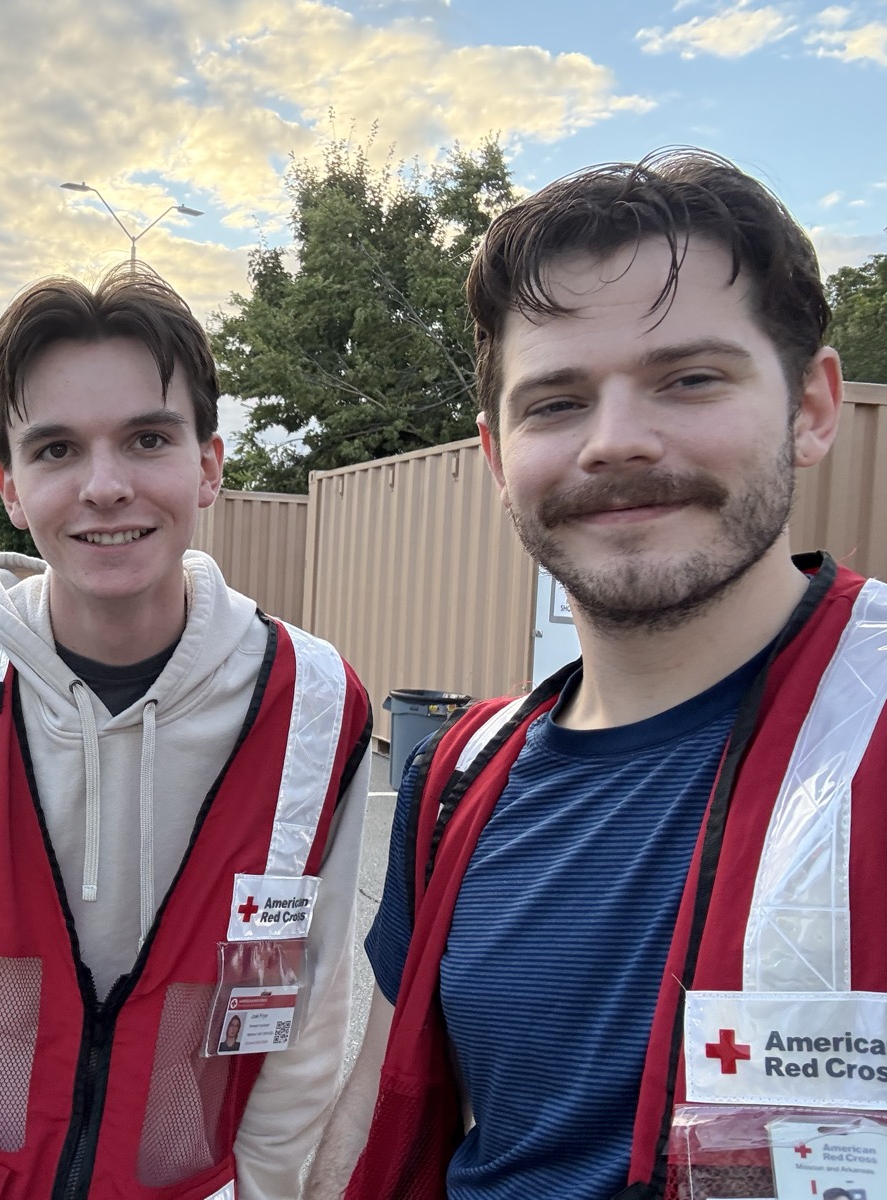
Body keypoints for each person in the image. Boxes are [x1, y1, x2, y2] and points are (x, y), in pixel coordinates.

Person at [307, 149, 886, 1200]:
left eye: (690, 379)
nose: (615, 442)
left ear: (811, 405)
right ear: (495, 456)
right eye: (557, 403)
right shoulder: (457, 782)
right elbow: (377, 1110)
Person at [0, 264, 374, 1200]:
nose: (104, 487)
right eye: (56, 449)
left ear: (209, 464)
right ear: (11, 487)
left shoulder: (312, 706)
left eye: (146, 438)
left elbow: (298, 1006)